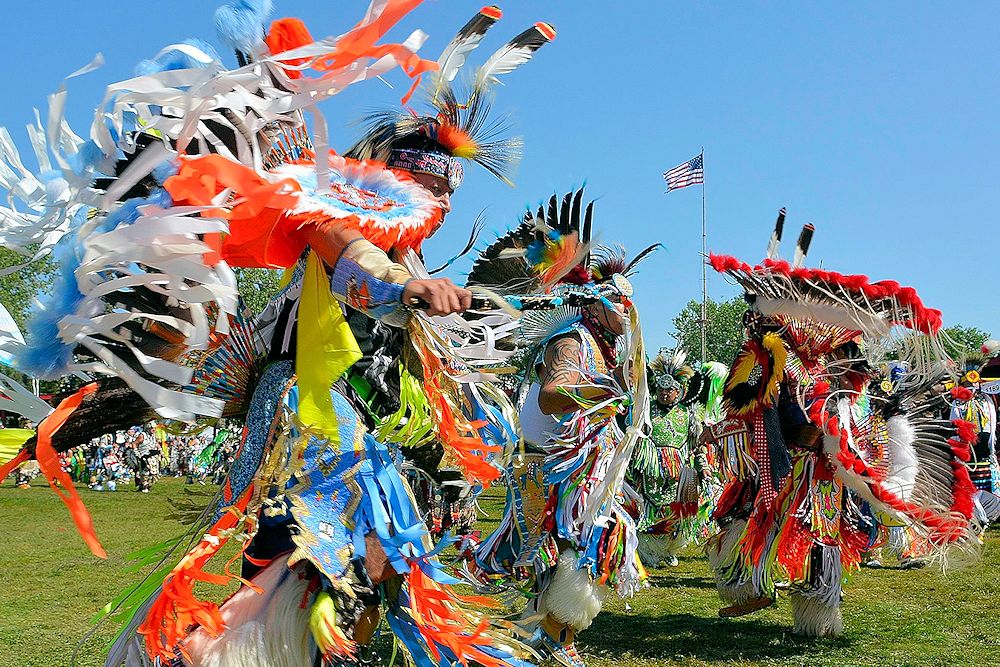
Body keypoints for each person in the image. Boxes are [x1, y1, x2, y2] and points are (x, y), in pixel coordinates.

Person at [0, 4, 556, 666]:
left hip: (346, 425)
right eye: (427, 190)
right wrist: (402, 289)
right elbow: (351, 257)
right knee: (299, 563)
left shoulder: (407, 257)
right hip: (303, 415)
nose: (438, 210)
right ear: (392, 181)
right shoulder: (336, 221)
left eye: (446, 198)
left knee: (358, 567)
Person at [704, 215, 979, 637]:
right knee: (770, 522)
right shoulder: (786, 367)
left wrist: (835, 441)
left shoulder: (830, 381)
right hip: (796, 469)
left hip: (821, 474)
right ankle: (764, 593)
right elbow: (775, 418)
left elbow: (819, 427)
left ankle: (816, 616)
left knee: (820, 536)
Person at [469, 190, 654, 667]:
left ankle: (550, 634)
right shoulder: (572, 340)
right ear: (597, 304)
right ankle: (547, 635)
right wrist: (604, 395)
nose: (629, 314)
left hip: (578, 471)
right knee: (561, 548)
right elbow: (553, 395)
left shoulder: (605, 349)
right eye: (622, 305)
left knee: (579, 545)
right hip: (550, 467)